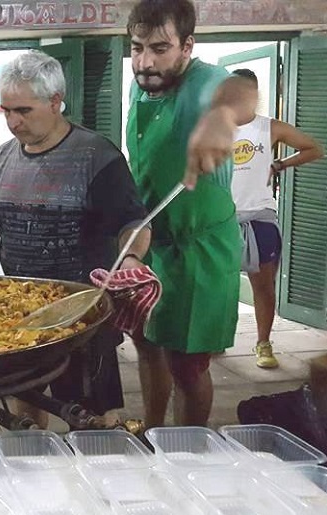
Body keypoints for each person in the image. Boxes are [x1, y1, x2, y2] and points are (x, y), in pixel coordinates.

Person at [0, 50, 150, 427]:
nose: (13, 122)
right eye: (6, 111)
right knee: (27, 408)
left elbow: (134, 223)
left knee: (96, 421)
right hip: (20, 313)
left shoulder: (96, 157)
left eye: (23, 111)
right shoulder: (1, 160)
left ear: (55, 101)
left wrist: (130, 259)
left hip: (80, 316)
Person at [125, 0, 260, 427]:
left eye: (159, 49)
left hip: (200, 250)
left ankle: (188, 451)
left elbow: (241, 91)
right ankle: (151, 431)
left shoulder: (206, 82)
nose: (145, 63)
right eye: (136, 48)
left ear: (187, 46)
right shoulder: (142, 85)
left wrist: (221, 115)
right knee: (146, 343)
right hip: (152, 243)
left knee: (187, 365)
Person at [228, 68, 325, 369]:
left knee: (263, 286)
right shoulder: (218, 128)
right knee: (219, 285)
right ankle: (216, 339)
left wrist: (280, 163)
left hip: (260, 215)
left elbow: (314, 149)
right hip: (223, 218)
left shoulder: (269, 127)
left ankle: (263, 343)